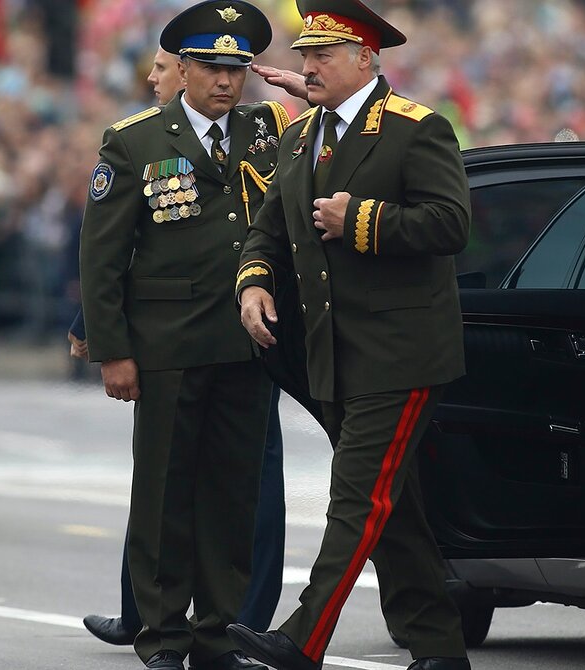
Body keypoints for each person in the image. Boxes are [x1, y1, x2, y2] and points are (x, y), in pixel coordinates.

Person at [227, 2, 473, 670]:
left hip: (402, 355)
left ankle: (302, 638)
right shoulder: (300, 134)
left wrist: (362, 218)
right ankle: (440, 650)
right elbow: (269, 230)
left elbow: (451, 224)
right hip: (332, 356)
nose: (308, 65)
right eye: (305, 55)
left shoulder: (416, 130)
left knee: (358, 499)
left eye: (323, 55)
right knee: (395, 513)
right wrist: (253, 282)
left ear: (365, 58)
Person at [79, 2, 293, 668]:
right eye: (210, 68)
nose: (225, 82)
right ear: (183, 69)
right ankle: (164, 634)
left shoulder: (268, 129)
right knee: (166, 496)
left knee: (233, 499)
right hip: (168, 346)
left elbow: (342, 129)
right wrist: (112, 350)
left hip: (247, 345)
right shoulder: (136, 139)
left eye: (235, 69)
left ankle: (216, 632)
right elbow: (102, 255)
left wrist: (302, 84)